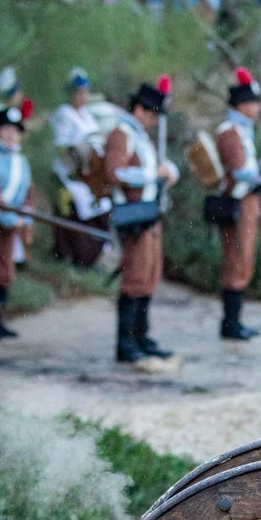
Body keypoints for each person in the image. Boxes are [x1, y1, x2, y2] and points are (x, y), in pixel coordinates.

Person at [106, 78, 178, 363]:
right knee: (135, 278)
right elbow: (117, 174)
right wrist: (153, 175)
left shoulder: (141, 137)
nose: (153, 120)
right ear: (139, 109)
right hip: (133, 215)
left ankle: (141, 336)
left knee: (149, 276)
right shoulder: (121, 135)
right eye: (151, 114)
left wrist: (167, 172)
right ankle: (126, 343)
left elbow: (153, 166)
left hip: (149, 214)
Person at [211, 68, 261, 341]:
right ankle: (230, 323)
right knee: (237, 258)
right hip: (236, 201)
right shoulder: (231, 131)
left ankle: (235, 320)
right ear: (242, 104)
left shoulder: (242, 131)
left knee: (243, 258)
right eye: (253, 102)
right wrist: (260, 168)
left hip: (248, 200)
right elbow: (239, 171)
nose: (257, 108)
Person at [0, 100, 37, 341]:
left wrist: (25, 216)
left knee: (4, 273)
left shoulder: (21, 161)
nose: (10, 136)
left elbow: (28, 192)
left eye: (14, 132)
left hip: (13, 224)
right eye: (5, 131)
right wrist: (7, 218)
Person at [49, 68, 109, 268]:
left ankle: (90, 257)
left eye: (85, 92)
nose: (82, 97)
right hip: (69, 174)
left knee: (100, 207)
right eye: (78, 92)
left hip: (87, 174)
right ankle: (77, 257)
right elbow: (63, 148)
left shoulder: (85, 114)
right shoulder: (63, 114)